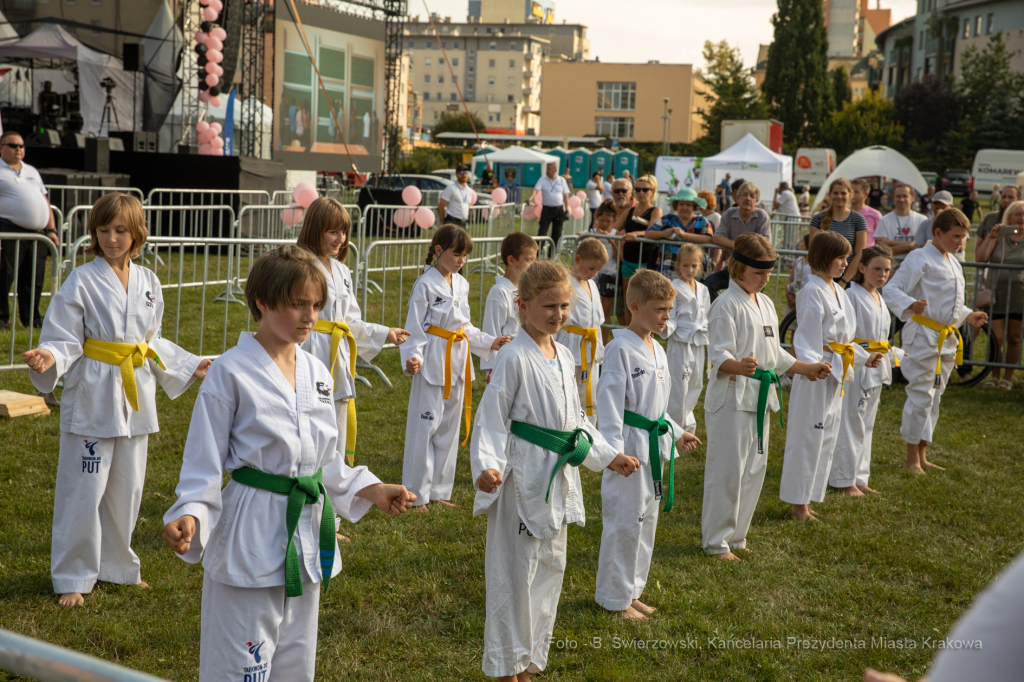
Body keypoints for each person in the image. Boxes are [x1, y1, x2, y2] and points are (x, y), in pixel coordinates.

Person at [161, 245, 415, 682]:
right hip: (252, 526)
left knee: (296, 660)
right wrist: (191, 513)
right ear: (262, 302)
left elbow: (322, 459)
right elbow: (202, 462)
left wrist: (371, 488)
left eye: (316, 305)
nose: (310, 315)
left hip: (308, 528)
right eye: (298, 304)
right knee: (243, 663)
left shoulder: (317, 371)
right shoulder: (231, 371)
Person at [22, 193, 208, 607]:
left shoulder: (149, 282)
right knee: (84, 489)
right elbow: (64, 336)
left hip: (135, 393)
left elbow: (150, 341)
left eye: (120, 231)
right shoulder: (82, 280)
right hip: (93, 393)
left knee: (127, 488)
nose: (111, 238)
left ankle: (119, 567)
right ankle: (73, 574)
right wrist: (48, 355)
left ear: (136, 234)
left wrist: (186, 365)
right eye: (103, 230)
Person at [471, 260, 639, 681]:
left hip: (560, 476)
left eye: (564, 306)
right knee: (513, 574)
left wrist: (607, 455)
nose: (558, 315)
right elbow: (490, 418)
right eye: (549, 306)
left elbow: (576, 419)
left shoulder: (563, 354)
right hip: (522, 474)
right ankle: (506, 667)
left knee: (549, 571)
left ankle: (528, 663)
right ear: (523, 305)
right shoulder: (512, 356)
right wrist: (488, 466)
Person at [703, 234, 832, 560]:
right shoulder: (725, 305)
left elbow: (773, 354)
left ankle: (736, 537)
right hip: (731, 398)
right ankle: (716, 542)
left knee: (753, 471)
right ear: (738, 268)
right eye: (759, 273)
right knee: (728, 472)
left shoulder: (764, 304)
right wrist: (738, 365)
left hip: (761, 396)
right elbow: (718, 355)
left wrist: (806, 368)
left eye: (769, 273)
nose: (765, 279)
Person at [595, 269, 701, 620]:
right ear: (636, 306)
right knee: (624, 523)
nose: (666, 316)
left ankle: (632, 590)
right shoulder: (618, 349)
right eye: (660, 310)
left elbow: (656, 409)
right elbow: (608, 408)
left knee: (645, 521)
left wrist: (677, 431)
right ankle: (614, 598)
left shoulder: (656, 348)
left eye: (669, 310)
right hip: (627, 447)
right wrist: (613, 453)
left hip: (653, 445)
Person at [401, 225, 511, 511]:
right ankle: (416, 494)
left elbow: (465, 327)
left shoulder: (461, 284)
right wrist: (413, 357)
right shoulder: (424, 284)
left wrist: (490, 341)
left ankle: (439, 491)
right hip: (433, 360)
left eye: (465, 255)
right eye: (456, 254)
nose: (462, 260)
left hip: (458, 359)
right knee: (425, 428)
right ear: (438, 251)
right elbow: (414, 327)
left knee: (449, 430)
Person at [296, 198, 410, 470]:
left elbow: (349, 321)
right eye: (333, 231)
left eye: (344, 231)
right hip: (309, 349)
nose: (341, 239)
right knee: (308, 421)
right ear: (315, 229)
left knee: (337, 420)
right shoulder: (299, 265)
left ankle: (333, 501)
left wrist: (385, 333)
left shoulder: (343, 270)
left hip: (338, 353)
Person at [780, 231, 881, 521]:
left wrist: (864, 356)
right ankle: (798, 503)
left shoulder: (836, 288)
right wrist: (811, 366)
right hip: (817, 371)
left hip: (837, 367)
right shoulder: (811, 291)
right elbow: (807, 336)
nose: (844, 263)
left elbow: (845, 338)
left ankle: (810, 497)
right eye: (840, 258)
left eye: (847, 258)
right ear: (823, 257)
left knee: (826, 435)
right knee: (807, 436)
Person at [884, 208, 988, 474]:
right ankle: (911, 458)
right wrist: (910, 304)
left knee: (935, 395)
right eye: (956, 236)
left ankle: (923, 453)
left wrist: (968, 314)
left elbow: (947, 302)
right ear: (938, 233)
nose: (961, 242)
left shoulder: (952, 261)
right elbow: (891, 288)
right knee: (920, 394)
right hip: (922, 335)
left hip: (944, 337)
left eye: (964, 237)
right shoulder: (920, 257)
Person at [828, 244, 902, 497]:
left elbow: (880, 337)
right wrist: (863, 356)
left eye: (887, 270)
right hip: (857, 365)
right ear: (861, 268)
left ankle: (860, 477)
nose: (882, 274)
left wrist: (894, 354)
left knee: (866, 424)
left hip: (876, 366)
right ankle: (843, 479)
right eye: (876, 269)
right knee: (851, 422)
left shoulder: (879, 297)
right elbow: (845, 336)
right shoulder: (851, 295)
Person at [0, 131, 58, 328]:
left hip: (37, 235)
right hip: (8, 230)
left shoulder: (32, 170)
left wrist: (52, 230)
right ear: (2, 148)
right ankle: (1, 318)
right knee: (3, 276)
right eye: (13, 145)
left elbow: (44, 200)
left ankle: (32, 320)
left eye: (21, 146)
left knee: (34, 279)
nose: (18, 149)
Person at [659, 243, 710, 435]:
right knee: (679, 384)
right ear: (677, 266)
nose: (690, 270)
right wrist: (665, 327)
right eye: (686, 265)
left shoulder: (703, 289)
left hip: (698, 341)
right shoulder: (673, 287)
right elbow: (671, 314)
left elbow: (707, 315)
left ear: (700, 266)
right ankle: (673, 426)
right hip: (680, 340)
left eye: (694, 266)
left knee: (696, 383)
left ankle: (687, 424)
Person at [975, 200, 1024, 390]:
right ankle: (993, 375)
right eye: (1017, 214)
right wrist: (992, 237)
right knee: (996, 339)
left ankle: (1008, 378)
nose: (1021, 218)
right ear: (1009, 217)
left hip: (1020, 298)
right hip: (996, 297)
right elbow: (980, 257)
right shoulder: (999, 237)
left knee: (1014, 338)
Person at [556, 237, 607, 417]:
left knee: (590, 395)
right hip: (570, 345)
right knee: (568, 393)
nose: (594, 273)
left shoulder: (592, 284)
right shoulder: (565, 284)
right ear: (577, 260)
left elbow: (596, 323)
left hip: (590, 347)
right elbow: (558, 320)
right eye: (591, 268)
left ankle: (588, 436)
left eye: (598, 270)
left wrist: (600, 348)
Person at [480, 232, 538, 376]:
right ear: (511, 260)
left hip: (528, 357)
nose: (533, 265)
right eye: (529, 260)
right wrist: (492, 369)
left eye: (534, 260)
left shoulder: (528, 290)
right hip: (506, 361)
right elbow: (491, 331)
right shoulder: (499, 292)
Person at [707, 182, 772, 300]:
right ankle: (719, 310)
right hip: (731, 268)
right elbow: (717, 238)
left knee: (748, 297)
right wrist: (743, 248)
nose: (748, 198)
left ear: (756, 201)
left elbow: (764, 245)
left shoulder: (762, 216)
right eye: (744, 195)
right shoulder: (729, 213)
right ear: (737, 198)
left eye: (752, 196)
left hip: (754, 270)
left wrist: (731, 247)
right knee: (709, 284)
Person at [612, 174, 662, 325]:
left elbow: (651, 230)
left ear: (653, 191)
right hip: (628, 261)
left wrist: (635, 234)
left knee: (647, 303)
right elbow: (613, 230)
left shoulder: (656, 211)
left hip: (647, 262)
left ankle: (647, 337)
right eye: (638, 189)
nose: (641, 193)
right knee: (630, 302)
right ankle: (630, 336)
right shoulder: (629, 211)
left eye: (645, 189)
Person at [809, 178, 868, 284]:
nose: (839, 196)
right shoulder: (818, 219)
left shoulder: (858, 220)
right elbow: (813, 252)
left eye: (843, 193)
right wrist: (819, 279)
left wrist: (844, 281)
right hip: (823, 278)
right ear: (830, 195)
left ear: (850, 195)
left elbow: (859, 253)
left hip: (849, 278)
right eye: (835, 193)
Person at [592, 201, 621, 343]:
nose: (604, 224)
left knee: (605, 309)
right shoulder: (592, 233)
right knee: (592, 307)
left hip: (609, 274)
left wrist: (612, 240)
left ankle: (604, 342)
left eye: (608, 221)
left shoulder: (615, 233)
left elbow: (620, 257)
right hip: (593, 274)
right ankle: (594, 339)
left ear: (614, 219)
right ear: (596, 218)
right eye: (601, 220)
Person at [872, 183, 927, 257]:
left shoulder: (922, 220)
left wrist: (890, 242)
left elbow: (925, 246)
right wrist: (910, 245)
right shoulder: (884, 220)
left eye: (905, 196)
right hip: (892, 264)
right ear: (894, 198)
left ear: (912, 198)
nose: (901, 200)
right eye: (898, 196)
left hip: (916, 263)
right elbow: (881, 250)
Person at [530, 161, 571, 245]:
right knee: (542, 233)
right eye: (547, 169)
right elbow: (535, 190)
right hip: (547, 210)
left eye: (549, 169)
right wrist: (529, 199)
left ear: (555, 170)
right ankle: (538, 254)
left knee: (557, 234)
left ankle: (552, 255)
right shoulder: (542, 179)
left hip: (558, 210)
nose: (547, 171)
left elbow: (566, 196)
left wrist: (567, 209)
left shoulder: (561, 180)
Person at [913, 191, 959, 259]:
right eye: (937, 208)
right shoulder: (925, 224)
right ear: (932, 207)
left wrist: (927, 245)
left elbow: (959, 247)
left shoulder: (958, 224)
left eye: (943, 208)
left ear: (951, 207)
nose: (939, 211)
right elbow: (917, 247)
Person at [851, 178, 883, 246]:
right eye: (850, 191)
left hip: (867, 254)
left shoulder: (875, 214)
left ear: (866, 194)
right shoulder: (843, 211)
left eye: (856, 192)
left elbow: (880, 240)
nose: (852, 194)